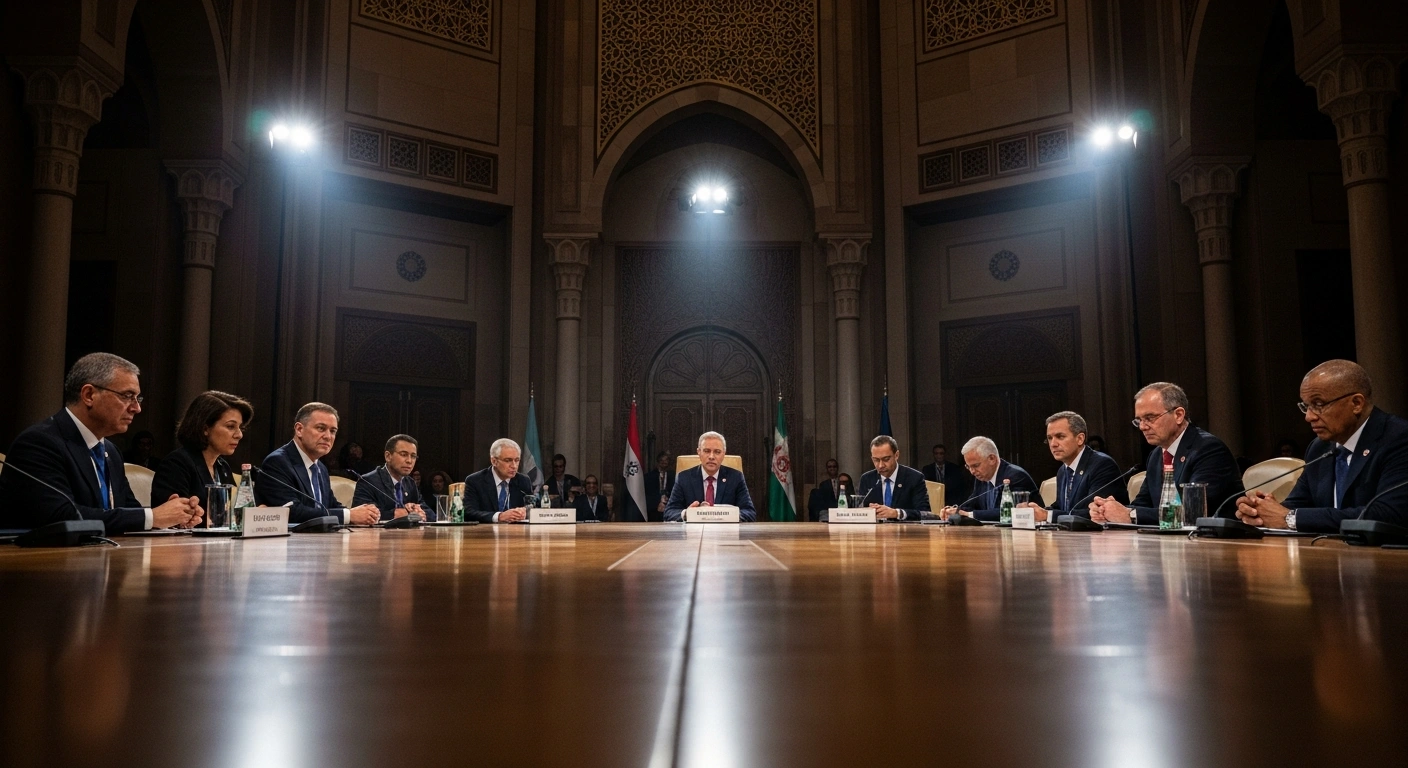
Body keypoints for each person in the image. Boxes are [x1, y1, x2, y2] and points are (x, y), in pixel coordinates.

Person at [0, 353, 202, 532]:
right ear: (89, 395)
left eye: (137, 398)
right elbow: (62, 517)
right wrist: (152, 517)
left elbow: (127, 510)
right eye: (127, 396)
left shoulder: (111, 452)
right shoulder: (39, 444)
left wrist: (173, 516)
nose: (136, 408)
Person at [1236, 360, 1408, 532]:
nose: (1309, 417)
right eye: (1306, 406)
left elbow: (1388, 514)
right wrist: (1260, 511)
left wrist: (1289, 518)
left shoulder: (1399, 439)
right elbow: (1298, 504)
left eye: (1318, 405)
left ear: (1356, 403)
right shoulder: (1320, 448)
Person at [1090, 382, 1242, 525]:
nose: (1142, 427)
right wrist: (1108, 511)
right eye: (1139, 420)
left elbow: (1192, 513)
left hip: (1216, 545)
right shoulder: (1156, 455)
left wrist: (1130, 514)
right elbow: (1143, 503)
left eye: (1150, 418)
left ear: (1178, 415)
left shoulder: (1208, 449)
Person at [255, 403, 381, 525]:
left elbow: (330, 505)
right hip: (290, 544)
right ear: (299, 429)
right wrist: (349, 515)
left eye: (333, 431)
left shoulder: (320, 467)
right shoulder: (277, 462)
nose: (328, 436)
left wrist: (366, 513)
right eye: (321, 428)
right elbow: (291, 512)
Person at [151, 391, 253, 509]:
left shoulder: (222, 466)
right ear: (205, 428)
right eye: (230, 426)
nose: (239, 435)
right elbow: (171, 517)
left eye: (241, 428)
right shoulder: (177, 464)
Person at [1021, 411, 1127, 523]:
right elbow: (1062, 507)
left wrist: (1048, 515)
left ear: (1080, 439)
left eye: (1060, 436)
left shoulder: (1102, 465)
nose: (1053, 444)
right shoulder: (1063, 470)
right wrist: (1038, 511)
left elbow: (1093, 512)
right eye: (1050, 438)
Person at [665, 431, 757, 522]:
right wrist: (687, 514)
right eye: (707, 451)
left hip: (726, 534)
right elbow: (669, 512)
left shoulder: (735, 477)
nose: (711, 456)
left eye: (717, 452)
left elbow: (750, 513)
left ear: (723, 454)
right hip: (693, 534)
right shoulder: (683, 478)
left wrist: (728, 514)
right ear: (699, 452)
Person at [943, 436, 1038, 521]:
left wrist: (969, 514)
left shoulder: (1016, 476)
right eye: (968, 467)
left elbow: (1010, 512)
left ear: (992, 459)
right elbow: (970, 505)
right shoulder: (981, 478)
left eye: (976, 465)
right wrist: (952, 511)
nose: (972, 472)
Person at [352, 434, 426, 521]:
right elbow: (364, 515)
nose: (409, 461)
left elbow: (430, 513)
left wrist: (420, 512)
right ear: (388, 456)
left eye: (413, 456)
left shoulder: (410, 483)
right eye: (403, 454)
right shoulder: (368, 481)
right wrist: (394, 514)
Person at [855, 436, 929, 521]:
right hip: (875, 532)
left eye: (886, 459)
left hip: (905, 531)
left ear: (896, 455)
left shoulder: (914, 478)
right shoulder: (867, 479)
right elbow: (859, 511)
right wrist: (868, 512)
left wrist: (896, 513)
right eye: (876, 460)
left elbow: (925, 514)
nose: (881, 465)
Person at [463, 438, 533, 523]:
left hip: (516, 533)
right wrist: (499, 516)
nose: (514, 466)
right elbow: (468, 512)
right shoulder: (475, 481)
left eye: (517, 460)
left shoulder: (523, 481)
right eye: (508, 460)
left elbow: (532, 507)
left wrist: (525, 511)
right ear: (494, 461)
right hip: (485, 533)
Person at [922, 443, 970, 508]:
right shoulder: (927, 469)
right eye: (936, 453)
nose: (939, 456)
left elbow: (960, 488)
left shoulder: (954, 468)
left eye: (941, 453)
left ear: (945, 455)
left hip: (951, 502)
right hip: (933, 502)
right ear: (933, 455)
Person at [643, 452, 675, 522]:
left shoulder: (673, 475)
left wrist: (666, 500)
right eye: (661, 460)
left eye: (666, 460)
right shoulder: (649, 476)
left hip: (669, 506)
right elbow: (648, 493)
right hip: (654, 507)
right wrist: (658, 501)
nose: (664, 462)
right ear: (658, 462)